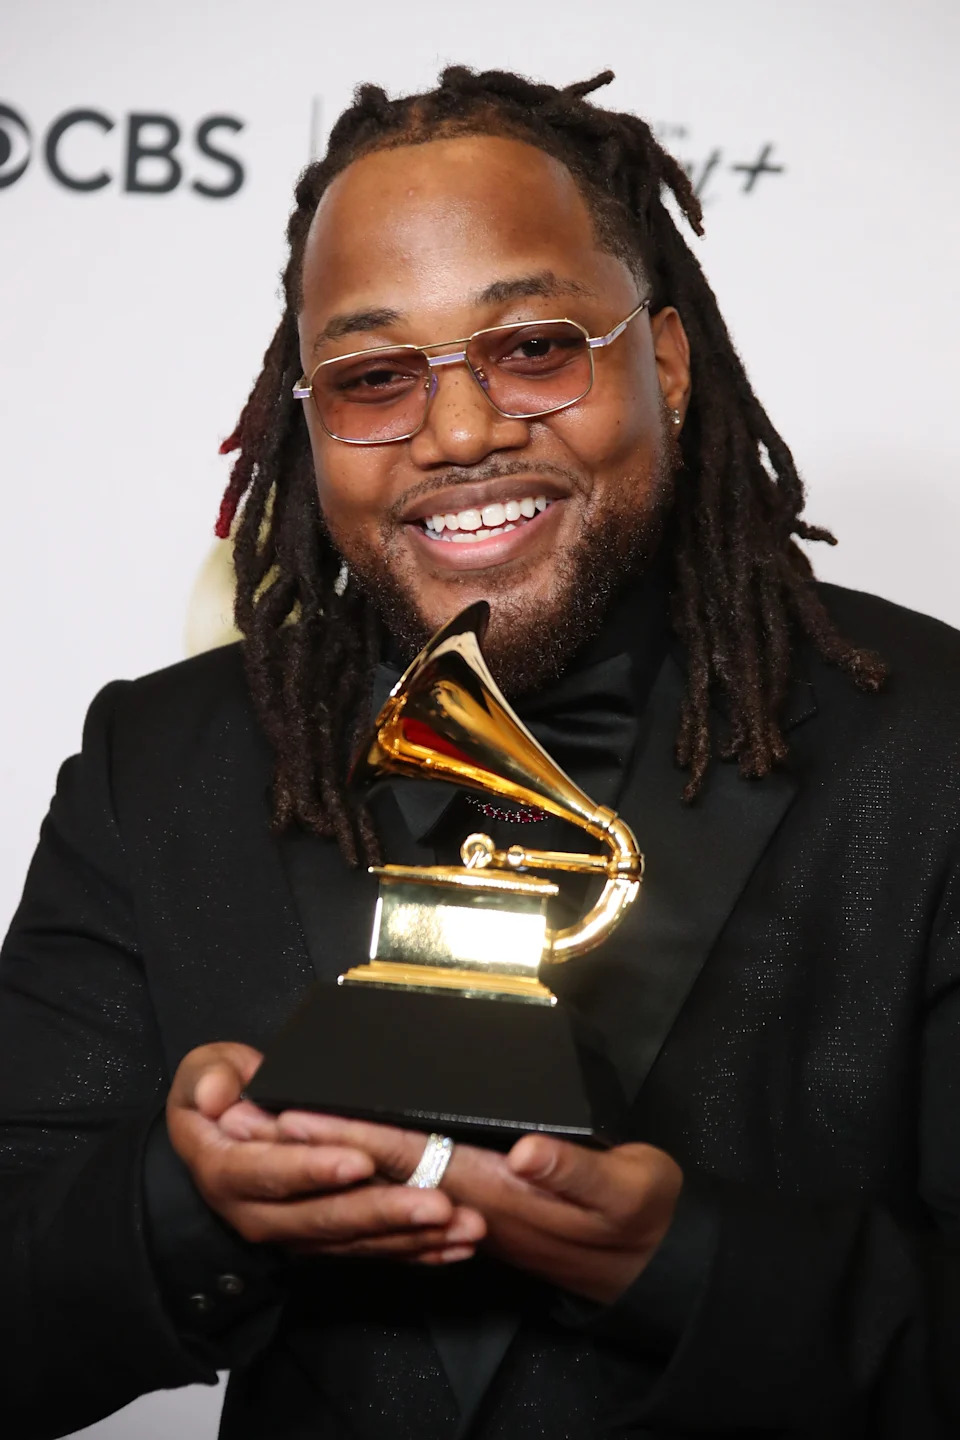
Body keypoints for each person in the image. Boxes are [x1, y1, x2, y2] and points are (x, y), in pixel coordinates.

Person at [1, 65, 958, 1440]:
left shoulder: (932, 742)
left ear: (666, 363)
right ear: (310, 417)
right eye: (376, 376)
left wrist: (679, 1265)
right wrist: (181, 1200)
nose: (459, 432)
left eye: (533, 349)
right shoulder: (153, 766)